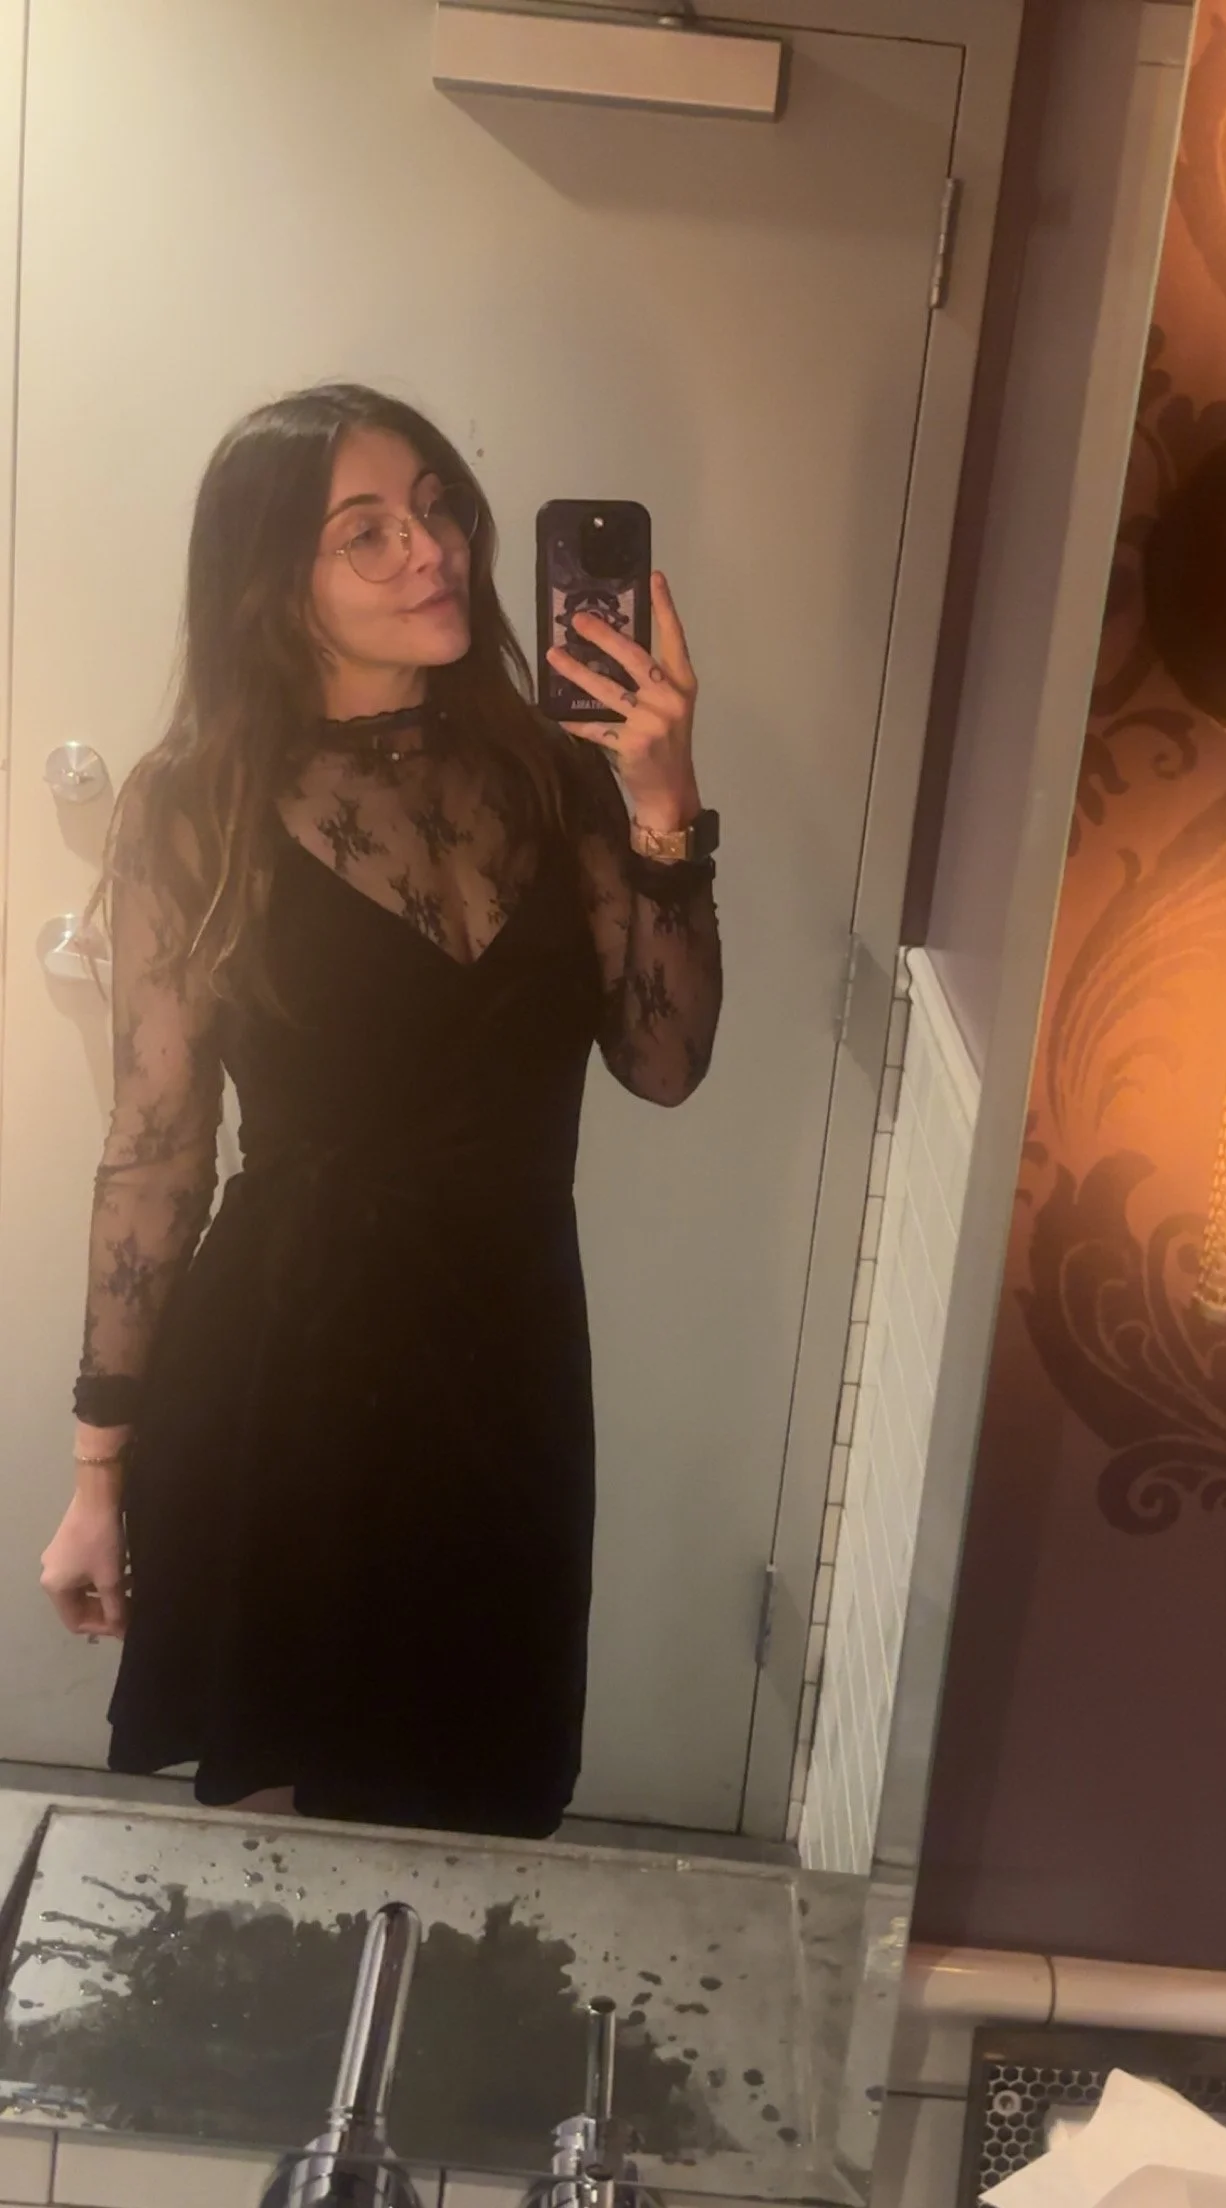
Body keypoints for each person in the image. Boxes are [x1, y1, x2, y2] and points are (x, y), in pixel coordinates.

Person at [38, 383, 722, 1837]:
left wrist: (664, 810)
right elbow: (155, 1150)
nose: (432, 549)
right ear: (272, 584)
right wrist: (99, 1473)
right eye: (368, 531)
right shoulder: (195, 805)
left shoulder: (554, 775)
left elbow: (662, 1062)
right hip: (282, 1371)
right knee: (282, 1834)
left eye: (435, 507)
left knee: (481, 1792)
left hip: (508, 1365)